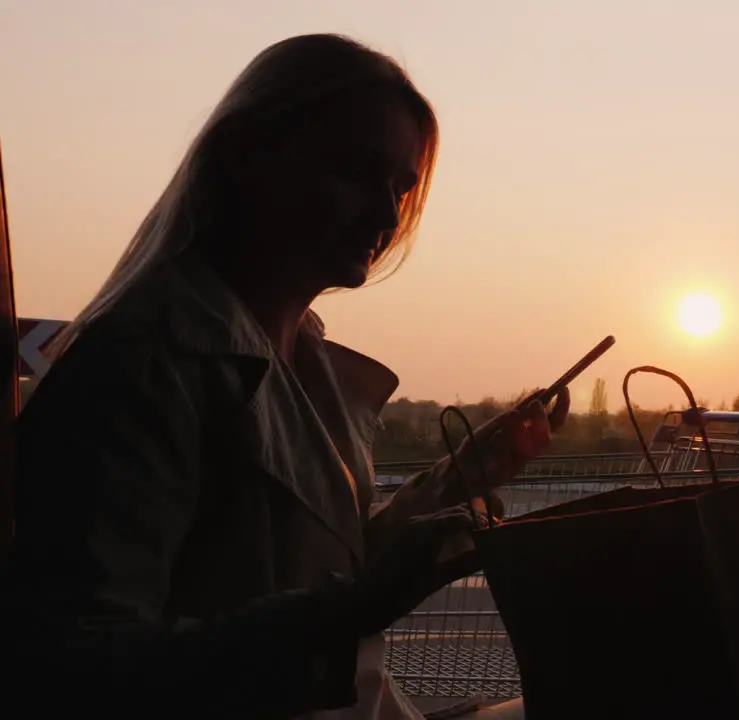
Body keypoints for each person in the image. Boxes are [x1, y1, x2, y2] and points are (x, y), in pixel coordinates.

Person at [0, 34, 562, 719]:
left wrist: (463, 477)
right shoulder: (142, 366)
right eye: (357, 173)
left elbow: (318, 564)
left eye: (400, 188)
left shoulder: (296, 361)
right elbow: (69, 666)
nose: (388, 216)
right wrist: (348, 609)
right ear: (244, 155)